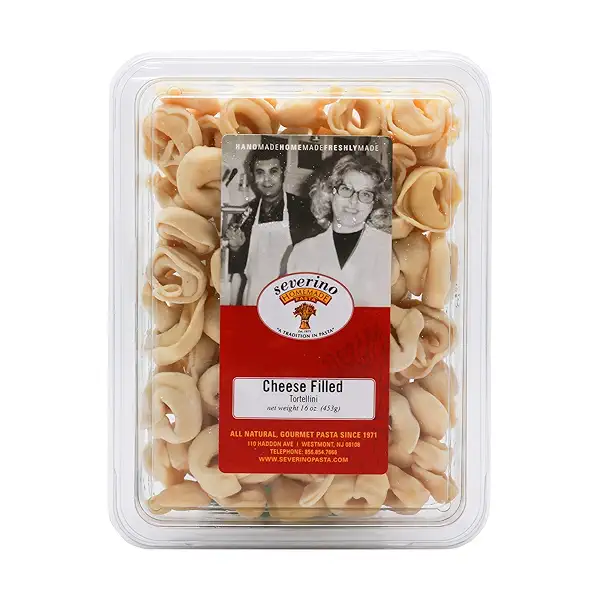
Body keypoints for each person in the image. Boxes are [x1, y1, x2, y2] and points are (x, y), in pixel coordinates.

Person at [285, 153, 392, 306]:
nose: (353, 201)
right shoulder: (302, 251)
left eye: (365, 194)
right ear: (330, 193)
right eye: (346, 189)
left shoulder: (387, 248)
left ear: (374, 203)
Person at [224, 148, 321, 305]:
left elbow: (318, 260)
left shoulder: (304, 209)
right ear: (253, 176)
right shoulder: (246, 214)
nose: (267, 180)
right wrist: (236, 248)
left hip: (293, 299)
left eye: (273, 172)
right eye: (260, 173)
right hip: (254, 298)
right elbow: (237, 268)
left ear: (283, 173)